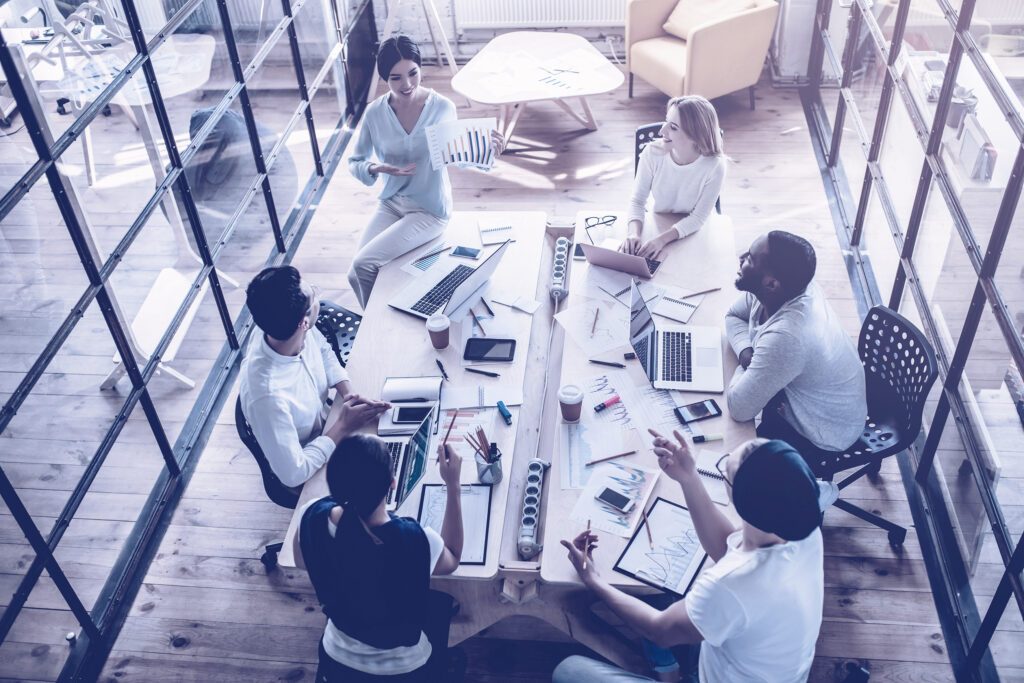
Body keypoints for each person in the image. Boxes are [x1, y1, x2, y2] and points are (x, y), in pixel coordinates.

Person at [553, 432, 825, 683]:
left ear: (741, 501)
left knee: (568, 670)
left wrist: (593, 580)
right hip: (773, 669)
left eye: (725, 470)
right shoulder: (801, 526)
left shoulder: (731, 585)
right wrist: (688, 476)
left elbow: (659, 630)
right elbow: (725, 549)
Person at [346, 35, 505, 308]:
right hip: (391, 204)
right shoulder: (374, 114)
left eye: (413, 73)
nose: (406, 84)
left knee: (364, 263)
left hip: (429, 209)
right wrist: (375, 167)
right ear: (385, 78)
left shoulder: (442, 107)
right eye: (395, 78)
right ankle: (377, 324)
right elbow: (355, 161)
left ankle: (378, 326)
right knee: (355, 273)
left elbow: (457, 155)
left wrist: (487, 149)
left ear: (420, 68)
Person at [294, 436, 464, 682]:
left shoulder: (309, 515)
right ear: (393, 483)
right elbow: (454, 556)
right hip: (403, 670)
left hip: (337, 659)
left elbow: (301, 562)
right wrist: (453, 484)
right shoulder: (415, 539)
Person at [239, 266, 389, 489]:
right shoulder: (268, 398)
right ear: (304, 322)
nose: (319, 297)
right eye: (315, 296)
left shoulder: (282, 331)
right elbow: (293, 474)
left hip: (329, 423)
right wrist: (343, 426)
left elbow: (323, 350)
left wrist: (349, 394)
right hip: (312, 458)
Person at [726, 231, 866, 458]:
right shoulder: (783, 287)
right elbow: (733, 316)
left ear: (771, 283)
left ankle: (822, 492)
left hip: (822, 432)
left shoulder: (788, 336)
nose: (741, 258)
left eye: (750, 258)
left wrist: (752, 366)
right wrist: (747, 353)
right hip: (807, 400)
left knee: (738, 459)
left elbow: (739, 409)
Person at [620, 96, 727, 260]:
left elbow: (698, 218)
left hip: (694, 230)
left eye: (674, 127)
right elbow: (637, 201)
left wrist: (662, 240)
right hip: (657, 221)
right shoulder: (652, 153)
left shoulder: (715, 166)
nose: (662, 131)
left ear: (696, 136)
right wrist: (633, 234)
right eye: (666, 121)